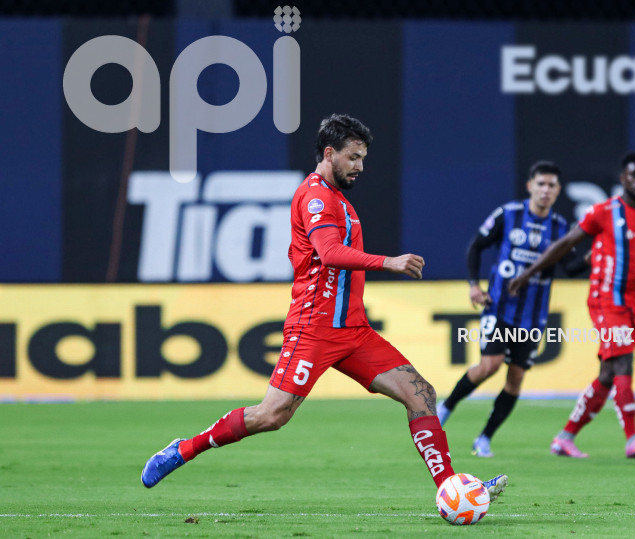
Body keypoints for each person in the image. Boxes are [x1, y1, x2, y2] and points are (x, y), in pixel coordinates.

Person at [140, 114, 508, 503]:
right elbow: (330, 254)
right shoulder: (315, 196)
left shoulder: (338, 199)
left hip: (354, 331)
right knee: (272, 416)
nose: (360, 167)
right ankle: (184, 449)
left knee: (422, 395)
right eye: (353, 157)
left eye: (363, 158)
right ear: (329, 153)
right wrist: (389, 261)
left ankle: (452, 489)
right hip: (313, 328)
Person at [508, 152, 635, 459]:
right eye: (634, 175)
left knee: (607, 373)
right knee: (624, 363)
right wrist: (527, 273)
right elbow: (565, 244)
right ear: (623, 178)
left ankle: (565, 437)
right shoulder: (604, 212)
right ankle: (632, 439)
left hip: (632, 303)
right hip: (605, 300)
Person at [437, 161, 587, 457]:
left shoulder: (560, 227)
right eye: (541, 184)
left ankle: (484, 438)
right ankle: (445, 408)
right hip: (499, 307)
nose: (546, 190)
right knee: (488, 367)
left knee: (516, 379)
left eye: (552, 185)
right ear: (530, 186)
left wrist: (594, 256)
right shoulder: (508, 215)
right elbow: (476, 246)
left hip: (532, 318)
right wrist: (473, 285)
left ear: (558, 191)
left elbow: (570, 268)